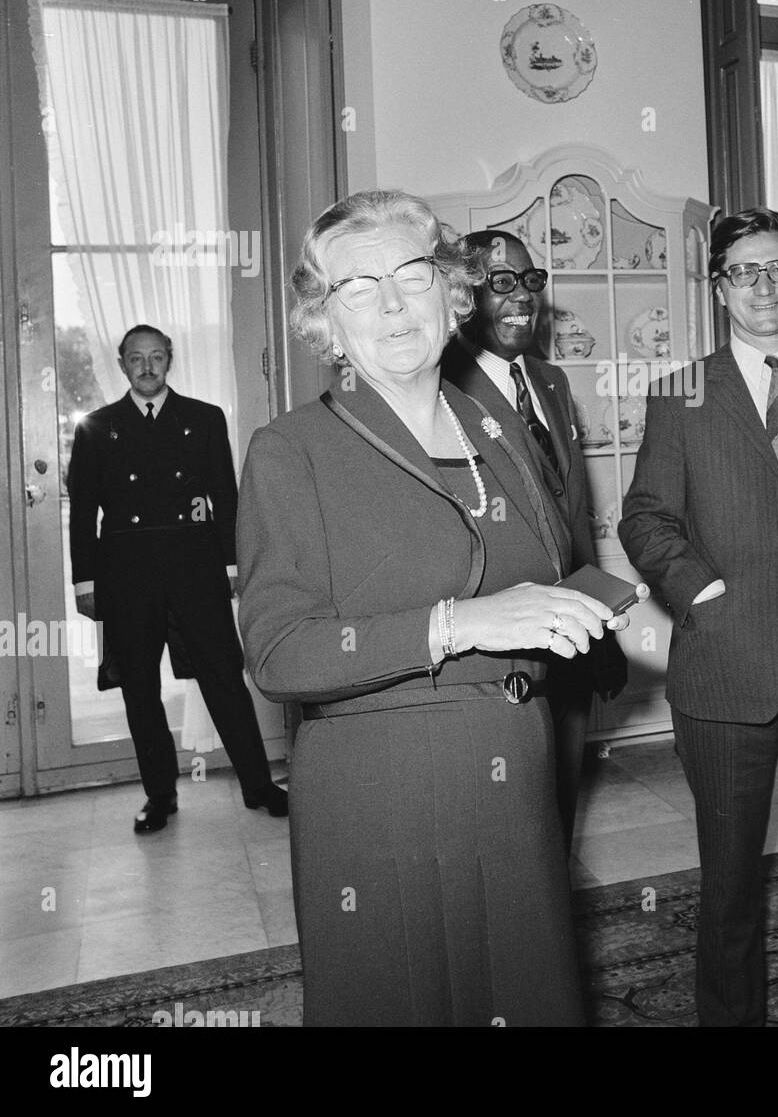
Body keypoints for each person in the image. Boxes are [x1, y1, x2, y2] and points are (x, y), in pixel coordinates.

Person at [236, 192, 638, 1027]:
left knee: (525, 996)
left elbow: (549, 572)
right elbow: (279, 654)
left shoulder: (497, 428)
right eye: (357, 287)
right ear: (326, 319)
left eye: (412, 275)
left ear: (451, 292)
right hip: (381, 788)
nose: (391, 305)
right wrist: (461, 623)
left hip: (518, 771)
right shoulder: (291, 451)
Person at [619, 208, 778, 1027]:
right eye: (745, 271)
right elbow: (646, 518)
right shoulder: (681, 392)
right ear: (720, 287)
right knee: (729, 870)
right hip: (726, 665)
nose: (764, 285)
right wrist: (701, 590)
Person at [442, 230, 627, 850]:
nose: (521, 296)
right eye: (500, 282)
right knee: (505, 832)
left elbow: (575, 515)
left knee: (559, 813)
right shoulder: (439, 393)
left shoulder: (550, 381)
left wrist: (600, 622)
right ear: (463, 297)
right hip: (500, 656)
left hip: (570, 641)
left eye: (530, 280)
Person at [68, 326, 286, 835]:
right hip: (127, 574)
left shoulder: (203, 419)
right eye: (137, 359)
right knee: (140, 687)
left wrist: (233, 565)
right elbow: (82, 512)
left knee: (223, 676)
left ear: (170, 361)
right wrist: (85, 582)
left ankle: (258, 785)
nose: (148, 367)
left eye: (157, 357)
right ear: (122, 364)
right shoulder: (98, 427)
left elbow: (223, 496)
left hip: (196, 568)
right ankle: (159, 796)